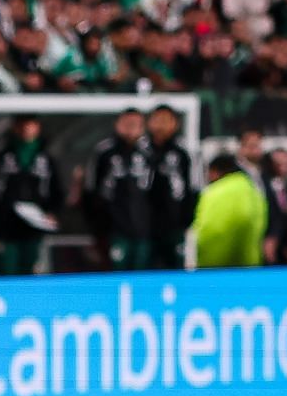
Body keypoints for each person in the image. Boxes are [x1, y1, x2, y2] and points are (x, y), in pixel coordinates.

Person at [0, 113, 58, 276]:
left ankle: (27, 301)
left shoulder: (46, 158)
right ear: (15, 128)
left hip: (33, 228)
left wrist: (52, 212)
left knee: (31, 271)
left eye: (31, 124)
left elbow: (55, 190)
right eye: (23, 125)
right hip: (4, 228)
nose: (27, 129)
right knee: (7, 271)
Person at [88, 108, 153, 270]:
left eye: (135, 124)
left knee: (142, 275)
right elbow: (92, 190)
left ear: (142, 127)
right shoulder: (104, 152)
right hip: (114, 229)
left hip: (145, 229)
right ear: (117, 125)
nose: (131, 128)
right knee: (114, 272)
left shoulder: (150, 153)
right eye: (127, 124)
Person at [192, 154, 266, 268]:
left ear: (215, 171)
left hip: (216, 266)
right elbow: (260, 223)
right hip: (249, 263)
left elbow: (206, 228)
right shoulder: (253, 190)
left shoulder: (213, 192)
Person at [145, 105, 195, 271]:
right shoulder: (139, 153)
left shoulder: (183, 154)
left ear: (175, 124)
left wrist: (186, 222)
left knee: (175, 271)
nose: (161, 126)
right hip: (141, 230)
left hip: (175, 228)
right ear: (149, 123)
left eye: (166, 121)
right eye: (157, 120)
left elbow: (192, 190)